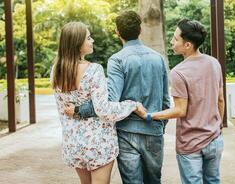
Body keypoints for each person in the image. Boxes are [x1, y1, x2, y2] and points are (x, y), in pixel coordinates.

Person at [64, 11, 171, 184]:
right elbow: (166, 100)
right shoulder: (158, 58)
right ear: (140, 30)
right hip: (153, 129)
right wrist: (159, 126)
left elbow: (109, 101)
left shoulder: (117, 60)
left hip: (126, 132)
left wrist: (79, 110)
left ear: (117, 32)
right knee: (154, 181)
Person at [51, 22, 146, 184]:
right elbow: (104, 110)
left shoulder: (56, 70)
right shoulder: (93, 70)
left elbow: (63, 110)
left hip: (73, 143)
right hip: (97, 143)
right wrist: (132, 105)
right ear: (77, 43)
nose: (92, 40)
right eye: (88, 38)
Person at [139, 19, 225, 184]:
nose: (172, 41)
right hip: (214, 139)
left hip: (190, 143)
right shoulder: (214, 63)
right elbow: (220, 100)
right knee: (213, 181)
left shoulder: (179, 72)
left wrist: (149, 115)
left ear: (188, 45)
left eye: (176, 38)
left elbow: (180, 110)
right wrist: (218, 126)